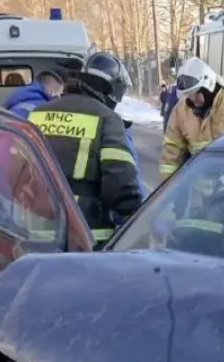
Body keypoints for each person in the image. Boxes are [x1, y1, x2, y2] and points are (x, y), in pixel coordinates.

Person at [28, 50, 144, 238]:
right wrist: (140, 221)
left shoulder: (38, 113)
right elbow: (120, 186)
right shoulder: (108, 119)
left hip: (34, 229)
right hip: (84, 233)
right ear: (112, 90)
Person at [160, 56, 224, 181]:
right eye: (189, 95)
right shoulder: (181, 110)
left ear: (208, 87)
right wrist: (167, 191)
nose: (192, 99)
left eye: (196, 93)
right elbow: (171, 153)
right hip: (199, 188)